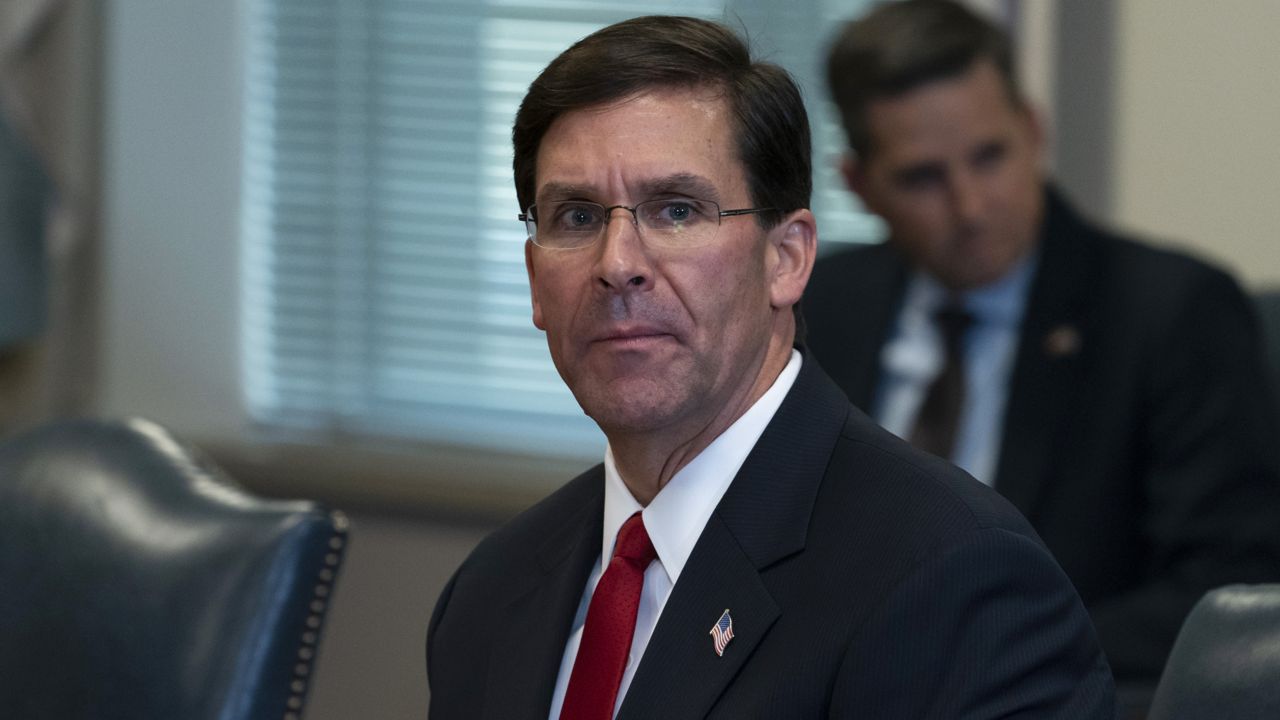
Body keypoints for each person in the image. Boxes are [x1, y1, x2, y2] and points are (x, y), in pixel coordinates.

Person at [428, 15, 1114, 719]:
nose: (618, 265)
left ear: (785, 259)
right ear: (537, 280)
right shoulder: (492, 590)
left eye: (676, 210)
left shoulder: (952, 579)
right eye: (575, 218)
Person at [806, 0, 1280, 684]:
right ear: (860, 185)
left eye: (989, 156)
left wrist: (988, 656)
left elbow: (1229, 585)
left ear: (1033, 130)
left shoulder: (1166, 311)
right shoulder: (819, 308)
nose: (971, 207)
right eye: (923, 178)